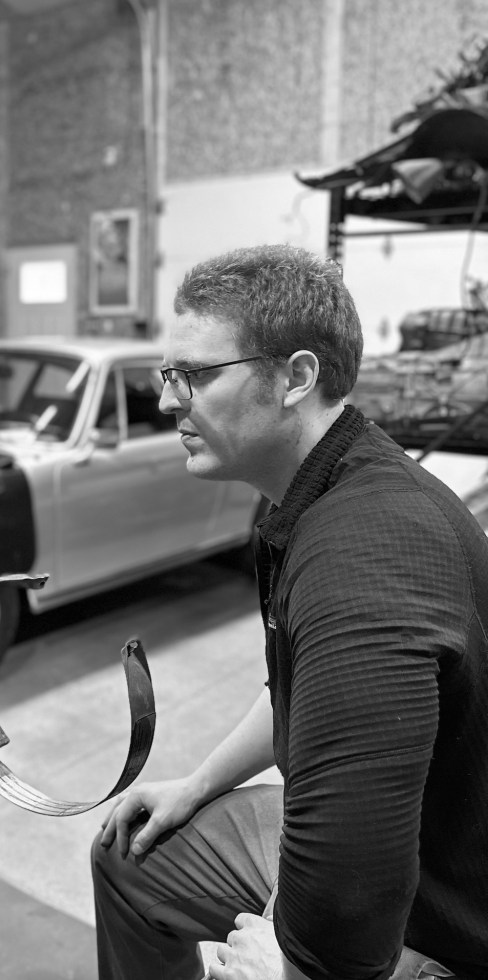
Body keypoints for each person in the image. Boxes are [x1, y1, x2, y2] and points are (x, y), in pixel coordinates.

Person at [91, 244, 488, 980]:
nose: (169, 400)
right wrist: (198, 784)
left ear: (296, 379)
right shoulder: (324, 492)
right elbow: (294, 693)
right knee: (128, 854)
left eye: (196, 375)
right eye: (168, 375)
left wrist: (290, 966)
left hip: (440, 914)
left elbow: (355, 887)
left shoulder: (363, 555)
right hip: (391, 845)